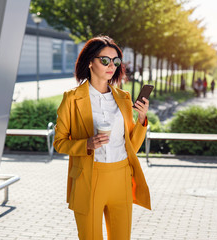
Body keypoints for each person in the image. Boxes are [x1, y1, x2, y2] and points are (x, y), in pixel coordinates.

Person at [54, 35, 151, 240]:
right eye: (105, 60)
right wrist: (86, 144)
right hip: (89, 179)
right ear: (90, 61)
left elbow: (131, 145)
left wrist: (142, 119)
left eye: (116, 61)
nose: (111, 66)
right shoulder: (72, 98)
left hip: (121, 177)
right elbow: (59, 143)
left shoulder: (123, 98)